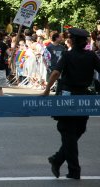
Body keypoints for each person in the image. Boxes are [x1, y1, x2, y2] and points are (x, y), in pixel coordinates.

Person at [43, 27, 100, 180]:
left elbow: (56, 73)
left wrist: (47, 90)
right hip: (84, 97)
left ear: (72, 41)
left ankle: (64, 163)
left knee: (69, 133)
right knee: (77, 131)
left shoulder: (67, 55)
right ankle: (64, 164)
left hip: (67, 97)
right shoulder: (91, 56)